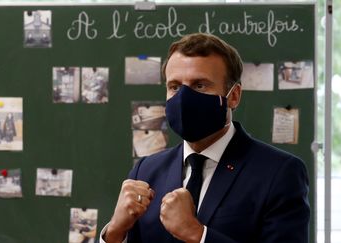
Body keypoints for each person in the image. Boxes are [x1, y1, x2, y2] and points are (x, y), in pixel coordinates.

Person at [101, 33, 310, 243]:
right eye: (174, 87)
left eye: (200, 85)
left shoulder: (279, 173)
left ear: (234, 96)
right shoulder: (146, 171)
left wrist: (198, 234)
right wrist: (114, 234)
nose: (183, 98)